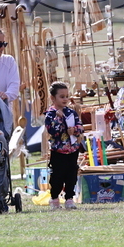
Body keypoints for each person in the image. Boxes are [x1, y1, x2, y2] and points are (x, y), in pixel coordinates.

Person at [45, 82, 84, 210]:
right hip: (58, 151)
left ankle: (69, 199)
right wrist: (59, 120)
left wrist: (75, 130)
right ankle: (55, 199)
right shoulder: (50, 114)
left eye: (67, 96)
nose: (65, 99)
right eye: (62, 96)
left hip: (72, 149)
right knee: (57, 176)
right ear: (53, 98)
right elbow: (52, 130)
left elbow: (80, 127)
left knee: (71, 175)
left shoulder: (71, 112)